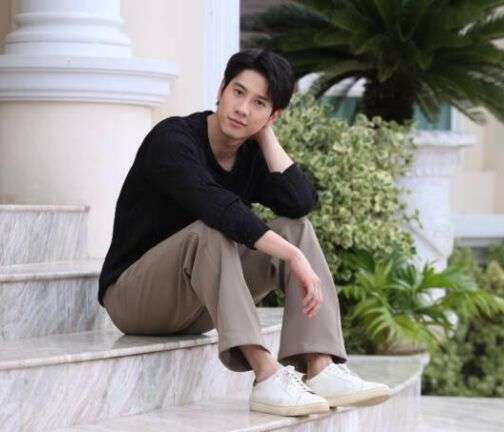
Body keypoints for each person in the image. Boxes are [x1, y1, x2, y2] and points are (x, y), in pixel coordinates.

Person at [98, 48, 390, 417]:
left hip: (198, 306)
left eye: (259, 103)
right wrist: (292, 256)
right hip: (133, 299)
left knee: (294, 228)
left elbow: (298, 202)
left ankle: (320, 366)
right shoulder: (173, 139)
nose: (242, 109)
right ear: (221, 89)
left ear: (273, 115)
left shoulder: (250, 155)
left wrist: (266, 138)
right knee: (210, 231)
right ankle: (266, 376)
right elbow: (219, 208)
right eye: (238, 92)